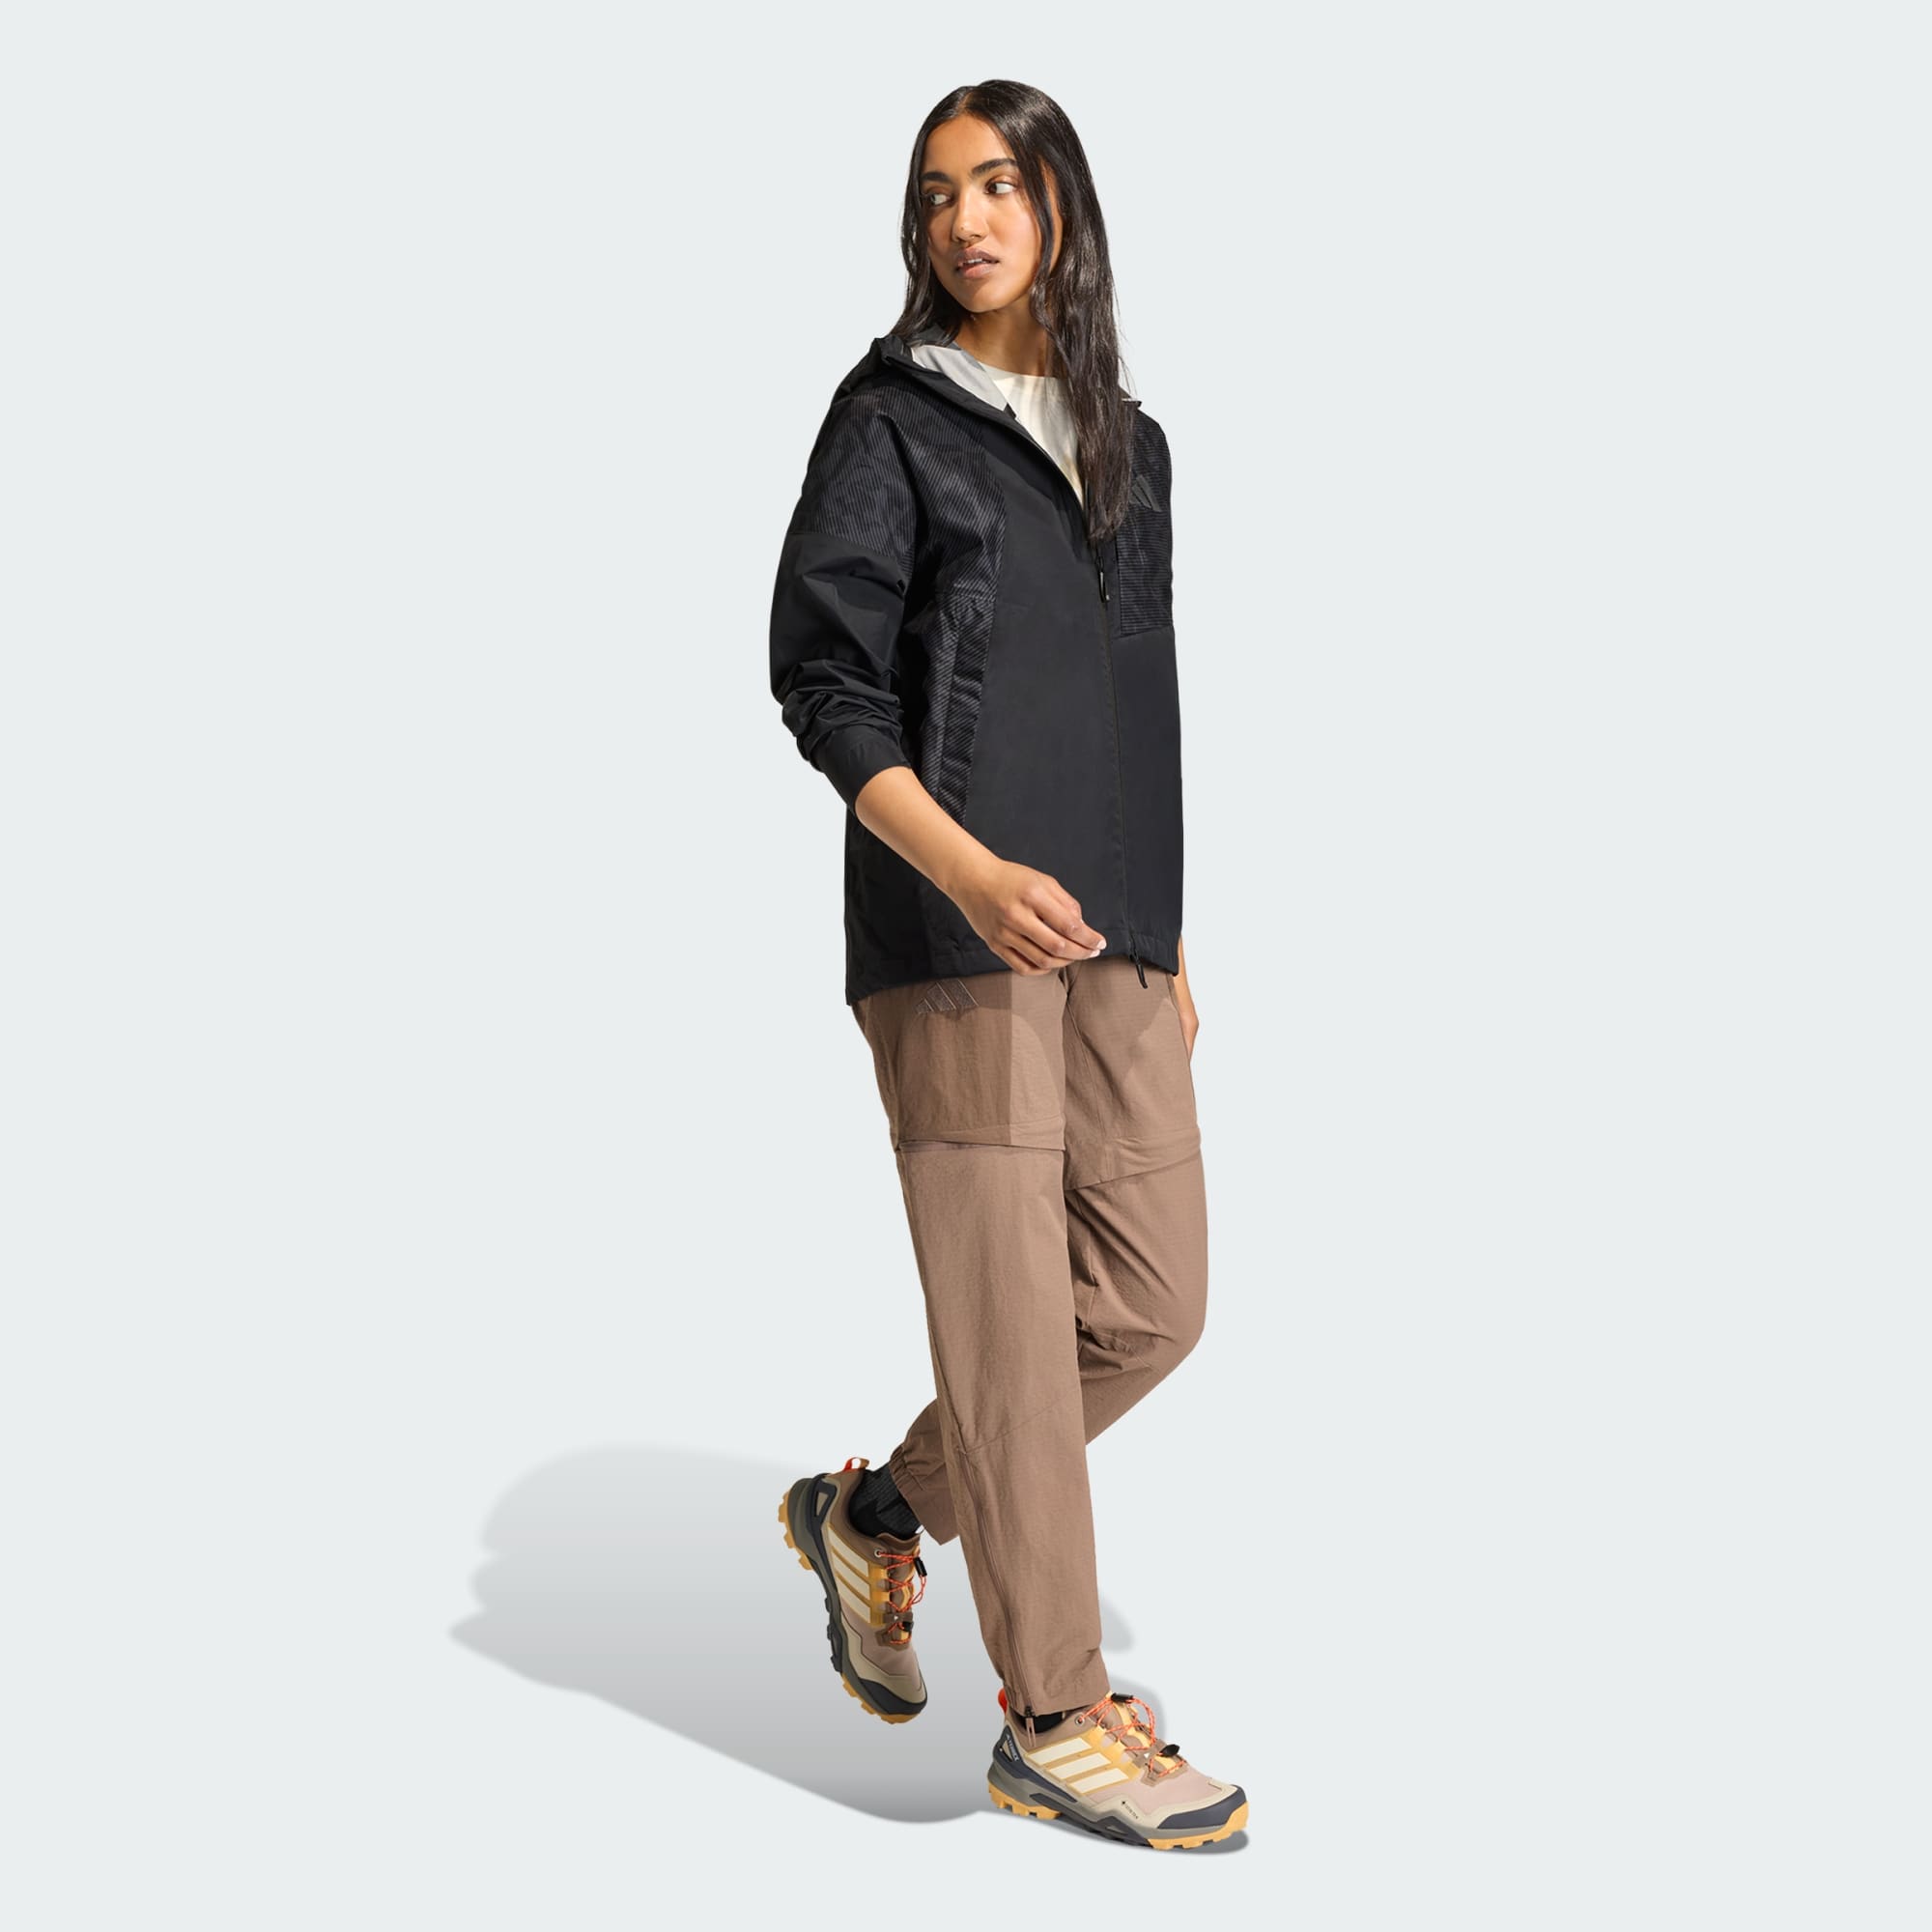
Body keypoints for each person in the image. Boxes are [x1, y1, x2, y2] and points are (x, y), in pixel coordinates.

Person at [768, 79, 1248, 1852]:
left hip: (1115, 939)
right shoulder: (891, 420)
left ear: (1060, 204)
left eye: (996, 183)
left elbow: (1137, 699)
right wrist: (967, 872)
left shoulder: (1135, 443)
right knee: (1013, 1337)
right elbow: (824, 684)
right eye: (935, 194)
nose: (965, 220)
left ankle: (879, 1515)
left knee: (1153, 1304)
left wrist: (1166, 929)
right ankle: (1053, 1717)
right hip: (951, 941)